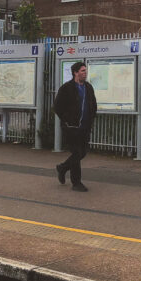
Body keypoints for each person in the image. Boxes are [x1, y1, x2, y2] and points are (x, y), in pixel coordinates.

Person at [53, 61, 97, 192]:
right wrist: (67, 120)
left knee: (82, 152)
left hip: (84, 127)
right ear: (75, 73)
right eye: (83, 71)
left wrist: (91, 119)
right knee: (77, 153)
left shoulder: (88, 87)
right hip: (71, 127)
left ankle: (63, 167)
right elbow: (57, 106)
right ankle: (76, 183)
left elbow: (93, 104)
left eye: (85, 71)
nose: (85, 73)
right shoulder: (67, 88)